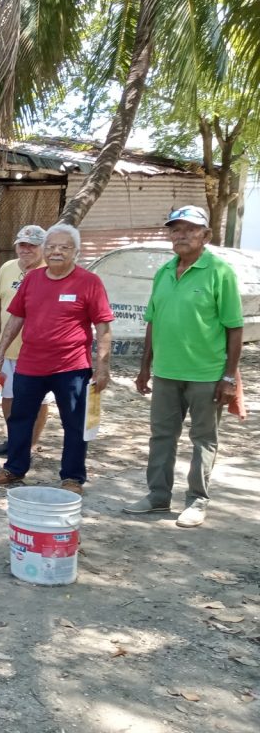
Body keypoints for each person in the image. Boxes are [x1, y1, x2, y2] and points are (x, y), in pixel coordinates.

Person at [125, 205, 243, 527]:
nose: (181, 235)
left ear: (206, 235)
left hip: (207, 374)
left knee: (203, 439)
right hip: (166, 372)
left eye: (190, 229)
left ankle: (197, 501)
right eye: (176, 230)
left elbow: (235, 328)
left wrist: (229, 377)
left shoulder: (220, 272)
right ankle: (157, 496)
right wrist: (145, 367)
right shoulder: (164, 272)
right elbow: (153, 321)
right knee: (161, 436)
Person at [0, 223, 113, 495]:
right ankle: (14, 468)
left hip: (72, 367)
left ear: (76, 251)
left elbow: (103, 327)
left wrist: (103, 367)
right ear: (45, 250)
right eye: (52, 247)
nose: (57, 251)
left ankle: (72, 477)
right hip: (30, 364)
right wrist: (0, 350)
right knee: (20, 418)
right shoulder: (32, 279)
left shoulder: (89, 282)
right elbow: (16, 317)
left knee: (74, 423)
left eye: (64, 247)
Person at [0, 224, 51, 454]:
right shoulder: (7, 268)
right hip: (8, 349)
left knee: (40, 400)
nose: (26, 249)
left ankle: (30, 444)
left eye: (32, 245)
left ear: (44, 247)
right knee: (7, 395)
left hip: (38, 353)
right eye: (22, 244)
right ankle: (14, 440)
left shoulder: (50, 271)